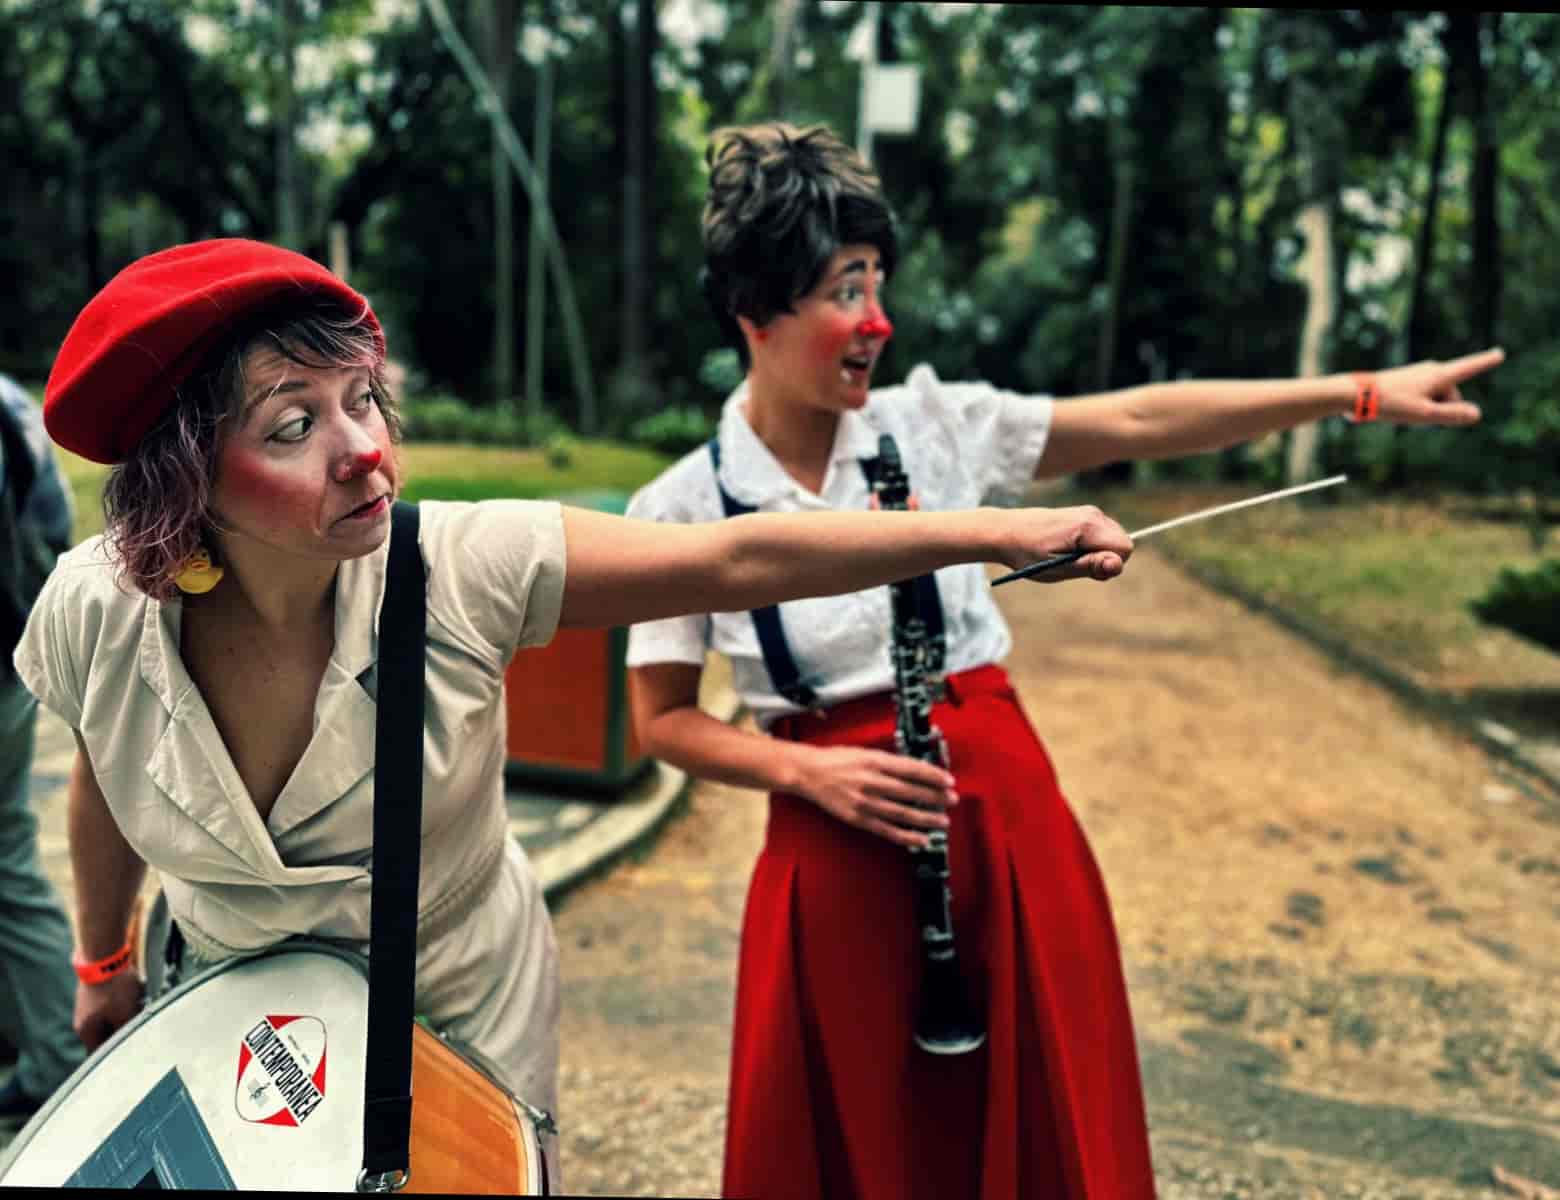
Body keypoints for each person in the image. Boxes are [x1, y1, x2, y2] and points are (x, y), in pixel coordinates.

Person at [10, 237, 1134, 1179]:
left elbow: (735, 557)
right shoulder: (94, 609)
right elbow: (110, 782)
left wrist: (999, 531)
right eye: (293, 426)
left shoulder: (464, 565)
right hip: (227, 1003)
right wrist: (104, 965)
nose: (364, 452)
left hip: (449, 1009)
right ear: (186, 472)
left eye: (362, 400)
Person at [622, 122, 1502, 1200]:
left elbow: (1137, 414)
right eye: (845, 290)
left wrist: (1355, 392)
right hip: (832, 851)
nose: (877, 320)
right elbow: (658, 722)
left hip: (1004, 827)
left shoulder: (933, 425)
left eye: (879, 283)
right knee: (861, 1145)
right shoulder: (679, 504)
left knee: (1044, 1135)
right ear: (756, 309)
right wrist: (806, 772)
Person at [0, 373, 85, 1126]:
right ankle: (44, 1050)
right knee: (7, 859)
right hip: (11, 662)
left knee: (6, 865)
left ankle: (56, 1059)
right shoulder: (10, 401)